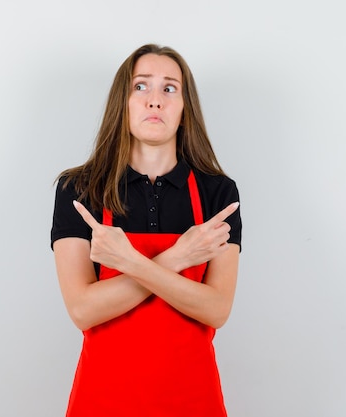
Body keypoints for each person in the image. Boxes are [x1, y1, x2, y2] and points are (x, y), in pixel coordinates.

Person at [50, 44, 242, 416]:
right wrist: (177, 257)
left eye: (170, 88)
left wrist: (129, 262)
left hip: (192, 400)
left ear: (185, 110)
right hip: (102, 401)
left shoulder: (217, 192)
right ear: (122, 103)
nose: (155, 100)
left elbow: (216, 309)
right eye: (141, 86)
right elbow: (83, 309)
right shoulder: (79, 189)